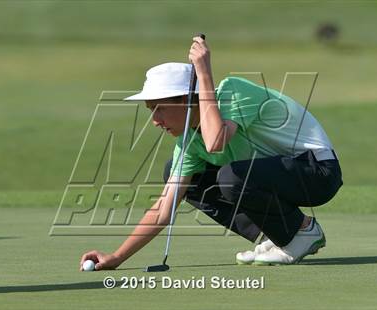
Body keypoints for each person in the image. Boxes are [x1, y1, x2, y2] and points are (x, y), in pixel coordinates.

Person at [80, 37, 343, 270]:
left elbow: (216, 141)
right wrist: (116, 257)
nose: (155, 120)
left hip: (317, 172)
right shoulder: (188, 141)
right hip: (282, 175)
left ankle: (301, 231)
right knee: (182, 173)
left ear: (185, 99)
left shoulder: (232, 92)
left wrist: (203, 73)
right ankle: (275, 235)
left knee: (231, 176)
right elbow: (163, 209)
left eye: (158, 108)